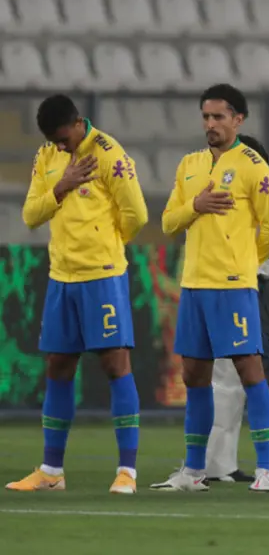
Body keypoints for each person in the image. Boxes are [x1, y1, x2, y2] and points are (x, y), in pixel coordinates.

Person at [7, 95, 148, 494]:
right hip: (61, 277)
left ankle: (127, 472)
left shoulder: (109, 154)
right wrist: (62, 186)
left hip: (102, 275)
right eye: (53, 140)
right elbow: (32, 215)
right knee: (58, 367)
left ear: (77, 122)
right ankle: (51, 472)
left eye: (63, 138)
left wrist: (108, 246)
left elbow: (137, 214)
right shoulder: (47, 156)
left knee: (115, 363)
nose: (60, 146)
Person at [151, 84, 269, 492]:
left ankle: (265, 470)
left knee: (249, 371)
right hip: (194, 286)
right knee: (194, 376)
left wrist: (244, 263)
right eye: (206, 117)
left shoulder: (253, 166)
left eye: (219, 117)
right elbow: (168, 222)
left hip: (232, 286)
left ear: (238, 119)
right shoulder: (189, 165)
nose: (211, 124)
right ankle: (194, 471)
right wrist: (195, 207)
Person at [204, 134, 269, 484]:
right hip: (226, 289)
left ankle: (220, 462)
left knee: (231, 379)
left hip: (226, 287)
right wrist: (258, 264)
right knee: (227, 378)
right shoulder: (231, 196)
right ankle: (214, 464)